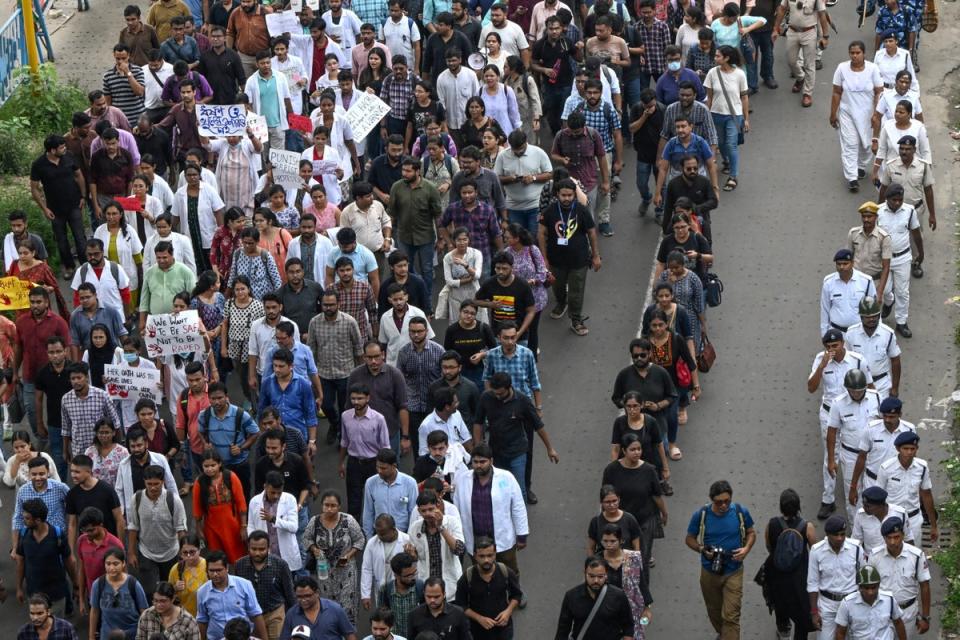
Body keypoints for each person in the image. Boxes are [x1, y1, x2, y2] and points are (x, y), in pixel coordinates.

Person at [684, 480, 756, 640]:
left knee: (731, 616)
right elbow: (689, 539)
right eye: (719, 502)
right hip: (709, 571)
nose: (723, 505)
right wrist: (702, 549)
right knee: (714, 610)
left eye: (727, 501)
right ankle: (723, 633)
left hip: (734, 571)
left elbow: (751, 532)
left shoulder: (740, 512)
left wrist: (746, 549)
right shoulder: (701, 515)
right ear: (711, 500)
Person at [537, 177, 601, 336]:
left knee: (576, 291)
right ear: (557, 194)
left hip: (579, 260)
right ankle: (561, 303)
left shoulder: (582, 210)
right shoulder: (549, 211)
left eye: (570, 195)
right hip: (556, 261)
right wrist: (544, 258)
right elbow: (541, 233)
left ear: (574, 194)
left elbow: (592, 233)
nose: (566, 198)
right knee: (557, 288)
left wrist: (596, 256)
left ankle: (576, 319)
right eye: (563, 195)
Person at [601, 433, 665, 578]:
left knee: (642, 559)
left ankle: (643, 595)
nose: (637, 452)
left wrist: (664, 513)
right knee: (622, 560)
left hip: (645, 520)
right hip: (621, 523)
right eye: (632, 449)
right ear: (623, 451)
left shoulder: (649, 470)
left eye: (639, 449)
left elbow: (656, 495)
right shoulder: (612, 470)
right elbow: (605, 496)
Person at [302, 490, 365, 623]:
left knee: (347, 609)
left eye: (333, 505)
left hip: (346, 572)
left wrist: (348, 555)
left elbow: (360, 540)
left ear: (339, 507)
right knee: (327, 608)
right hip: (324, 572)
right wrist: (314, 549)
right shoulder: (315, 521)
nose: (329, 509)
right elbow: (306, 539)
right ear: (322, 505)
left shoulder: (348, 520)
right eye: (326, 505)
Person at [762, 489, 817, 640]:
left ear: (781, 507)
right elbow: (816, 551)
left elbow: (769, 546)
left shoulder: (772, 524)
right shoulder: (807, 527)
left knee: (781, 607)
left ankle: (783, 632)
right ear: (798, 506)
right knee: (801, 615)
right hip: (799, 579)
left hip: (777, 576)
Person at [830, 41, 884, 192]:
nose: (854, 56)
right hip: (847, 112)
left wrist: (876, 114)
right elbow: (836, 92)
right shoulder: (842, 68)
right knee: (850, 144)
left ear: (864, 54)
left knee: (866, 144)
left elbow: (879, 91)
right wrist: (833, 114)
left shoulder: (873, 69)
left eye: (857, 53)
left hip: (867, 113)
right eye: (852, 53)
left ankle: (861, 166)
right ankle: (852, 177)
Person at [127, 465, 188, 596]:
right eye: (149, 484)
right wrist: (131, 552)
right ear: (144, 482)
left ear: (163, 482)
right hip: (146, 552)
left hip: (170, 552)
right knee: (150, 591)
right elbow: (133, 527)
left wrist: (184, 553)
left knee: (170, 590)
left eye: (157, 484)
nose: (153, 487)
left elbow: (181, 529)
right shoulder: (136, 499)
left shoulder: (174, 500)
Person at [866, 517, 931, 637]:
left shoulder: (916, 556)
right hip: (883, 612)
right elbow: (868, 586)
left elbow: (925, 586)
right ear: (884, 538)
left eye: (896, 537)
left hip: (907, 614)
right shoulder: (875, 556)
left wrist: (925, 617)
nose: (892, 542)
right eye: (889, 538)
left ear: (903, 535)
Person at [14, 499, 79, 617]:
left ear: (38, 520)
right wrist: (19, 588)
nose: (24, 521)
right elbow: (20, 562)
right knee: (39, 629)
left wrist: (76, 585)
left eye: (27, 518)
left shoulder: (57, 535)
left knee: (56, 630)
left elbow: (69, 562)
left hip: (56, 595)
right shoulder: (24, 535)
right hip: (34, 596)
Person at [233, 530, 297, 640]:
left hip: (275, 613)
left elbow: (290, 594)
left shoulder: (280, 565)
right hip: (251, 616)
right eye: (254, 549)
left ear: (268, 548)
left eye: (262, 549)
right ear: (248, 547)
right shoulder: (239, 565)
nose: (257, 553)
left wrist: (295, 617)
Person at [338, 384, 390, 519]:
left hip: (373, 464)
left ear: (368, 398)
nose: (356, 402)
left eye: (360, 398)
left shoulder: (378, 419)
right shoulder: (345, 416)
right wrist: (341, 463)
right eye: (353, 398)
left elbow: (385, 446)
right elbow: (344, 441)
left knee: (375, 499)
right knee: (353, 500)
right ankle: (353, 531)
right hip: (354, 462)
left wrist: (384, 468)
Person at [876, 431, 938, 544]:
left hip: (913, 518)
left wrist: (933, 525)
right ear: (898, 448)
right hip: (891, 518)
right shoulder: (886, 468)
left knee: (914, 554)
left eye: (912, 449)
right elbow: (878, 497)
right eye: (905, 448)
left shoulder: (922, 467)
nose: (909, 452)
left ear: (916, 449)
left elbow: (926, 495)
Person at [554, 556, 635, 640]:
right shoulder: (571, 596)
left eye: (600, 576)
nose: (596, 580)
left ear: (606, 574)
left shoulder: (618, 596)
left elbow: (628, 625)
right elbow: (562, 631)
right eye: (591, 576)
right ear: (585, 573)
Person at [196, 550, 269, 640]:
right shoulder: (202, 592)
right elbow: (202, 621)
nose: (215, 574)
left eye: (218, 570)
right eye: (211, 571)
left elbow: (256, 614)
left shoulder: (244, 585)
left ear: (226, 568)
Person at [193, 450, 248, 563]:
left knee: (238, 557)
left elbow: (241, 502)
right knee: (217, 558)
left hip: (232, 525)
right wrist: (199, 529)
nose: (210, 469)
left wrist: (243, 526)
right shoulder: (199, 482)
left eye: (213, 465)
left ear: (220, 464)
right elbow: (197, 508)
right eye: (206, 466)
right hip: (212, 527)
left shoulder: (231, 477)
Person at [61, 362, 122, 464]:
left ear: (87, 377)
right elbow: (66, 428)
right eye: (73, 378)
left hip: (101, 449)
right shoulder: (66, 399)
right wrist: (65, 450)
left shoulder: (102, 395)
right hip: (79, 450)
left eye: (79, 378)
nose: (76, 381)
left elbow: (115, 423)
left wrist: (117, 447)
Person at [771, 0, 829, 106]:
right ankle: (800, 77)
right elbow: (782, 9)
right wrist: (776, 28)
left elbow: (822, 14)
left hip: (809, 32)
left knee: (809, 65)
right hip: (792, 31)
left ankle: (807, 93)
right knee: (791, 61)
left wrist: (825, 36)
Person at [844, 296, 901, 400]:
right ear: (861, 317)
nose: (872, 319)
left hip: (882, 385)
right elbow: (846, 360)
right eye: (868, 317)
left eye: (874, 316)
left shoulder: (888, 334)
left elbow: (895, 361)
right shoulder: (851, 334)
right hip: (857, 385)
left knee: (880, 415)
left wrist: (895, 388)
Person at [88, 548, 150, 640]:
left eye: (116, 564)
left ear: (123, 563)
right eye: (108, 564)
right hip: (107, 635)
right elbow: (94, 611)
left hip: (132, 635)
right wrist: (91, 636)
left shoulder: (133, 584)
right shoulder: (98, 584)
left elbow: (144, 612)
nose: (112, 568)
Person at [835, 566, 908, 640]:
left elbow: (898, 623)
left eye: (873, 587)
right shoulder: (847, 603)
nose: (870, 592)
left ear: (879, 586)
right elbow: (840, 632)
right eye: (866, 588)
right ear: (860, 587)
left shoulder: (889, 600)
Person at [362, 448, 419, 537]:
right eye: (377, 467)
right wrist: (369, 539)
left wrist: (411, 537)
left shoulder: (410, 483)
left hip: (403, 534)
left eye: (383, 468)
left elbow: (414, 512)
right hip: (379, 535)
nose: (379, 471)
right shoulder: (370, 483)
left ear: (394, 466)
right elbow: (368, 512)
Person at [279, 575, 357, 640]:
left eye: (307, 596)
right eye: (299, 597)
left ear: (317, 593)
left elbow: (350, 635)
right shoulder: (291, 614)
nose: (303, 600)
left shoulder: (335, 610)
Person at [360, 515, 412, 610]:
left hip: (403, 589)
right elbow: (366, 569)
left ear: (393, 529)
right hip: (381, 590)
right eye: (378, 533)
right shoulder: (372, 542)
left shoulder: (407, 540)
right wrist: (365, 595)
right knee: (384, 620)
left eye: (383, 534)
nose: (379, 536)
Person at [135, 581, 201, 640]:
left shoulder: (189, 622)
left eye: (163, 601)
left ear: (173, 599)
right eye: (155, 601)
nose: (158, 605)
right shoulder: (147, 615)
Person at [407, 578, 472, 639]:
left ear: (444, 594)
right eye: (429, 596)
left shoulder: (458, 613)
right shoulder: (414, 615)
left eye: (436, 597)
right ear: (424, 594)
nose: (432, 600)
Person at [587, 485, 642, 555]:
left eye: (614, 501)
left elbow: (636, 547)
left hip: (626, 561)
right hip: (603, 562)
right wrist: (591, 563)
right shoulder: (595, 522)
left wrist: (634, 564)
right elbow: (591, 547)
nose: (612, 505)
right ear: (601, 502)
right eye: (607, 502)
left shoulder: (629, 519)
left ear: (619, 499)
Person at [167, 535, 207, 616]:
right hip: (183, 617)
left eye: (192, 552)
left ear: (199, 550)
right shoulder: (176, 569)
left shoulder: (207, 566)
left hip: (205, 615)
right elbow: (167, 593)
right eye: (185, 553)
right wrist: (175, 588)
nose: (189, 556)